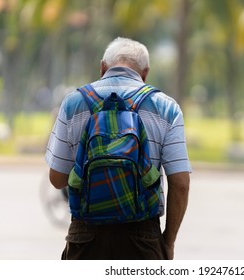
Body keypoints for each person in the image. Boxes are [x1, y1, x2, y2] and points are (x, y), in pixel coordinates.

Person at [45, 37, 191, 260]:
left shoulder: (73, 102)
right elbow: (180, 185)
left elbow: (57, 179)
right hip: (143, 238)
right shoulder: (167, 107)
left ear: (102, 67)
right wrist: (167, 243)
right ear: (145, 73)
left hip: (85, 238)